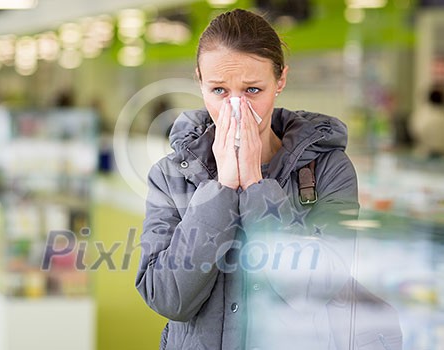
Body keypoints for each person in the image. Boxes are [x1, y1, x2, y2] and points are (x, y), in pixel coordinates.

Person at [136, 9, 401, 349]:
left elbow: (316, 288)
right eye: (219, 90)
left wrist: (257, 186)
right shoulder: (169, 176)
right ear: (199, 82)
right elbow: (167, 298)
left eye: (252, 90)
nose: (236, 108)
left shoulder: (329, 170)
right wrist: (221, 190)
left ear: (280, 81)